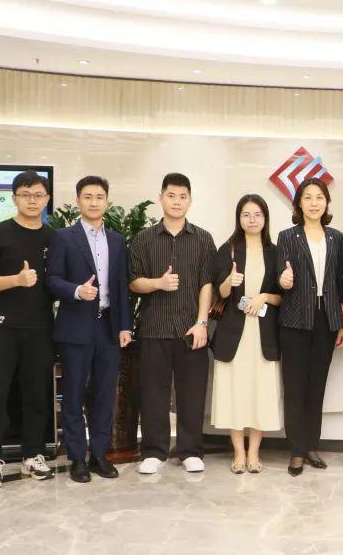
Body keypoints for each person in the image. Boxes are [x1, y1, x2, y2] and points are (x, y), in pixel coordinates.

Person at [0, 170, 56, 489]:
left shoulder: (54, 238)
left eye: (38, 195)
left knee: (36, 396)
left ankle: (33, 455)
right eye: (25, 194)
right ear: (14, 198)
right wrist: (17, 280)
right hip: (0, 329)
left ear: (47, 199)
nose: (32, 200)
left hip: (40, 328)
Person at [129, 173, 217, 475]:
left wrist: (202, 322)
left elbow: (207, 284)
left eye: (182, 197)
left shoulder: (203, 239)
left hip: (191, 329)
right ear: (161, 198)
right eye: (171, 195)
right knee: (153, 393)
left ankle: (190, 450)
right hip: (154, 327)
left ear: (190, 200)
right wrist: (158, 283)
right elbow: (133, 282)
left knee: (192, 393)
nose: (177, 202)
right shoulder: (143, 239)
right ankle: (154, 451)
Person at [46, 176, 132, 483]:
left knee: (104, 394)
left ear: (107, 201)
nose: (94, 202)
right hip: (75, 328)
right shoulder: (63, 238)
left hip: (108, 327)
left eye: (99, 197)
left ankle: (99, 455)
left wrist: (125, 326)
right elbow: (52, 280)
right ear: (78, 201)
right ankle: (76, 458)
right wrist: (76, 291)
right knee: (73, 394)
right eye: (87, 196)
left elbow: (121, 286)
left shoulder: (118, 240)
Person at [276, 177, 343, 476]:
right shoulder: (287, 236)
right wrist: (283, 280)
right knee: (294, 388)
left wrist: (342, 321)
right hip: (294, 320)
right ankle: (296, 451)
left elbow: (340, 282)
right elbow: (279, 277)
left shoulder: (336, 237)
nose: (314, 203)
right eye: (308, 197)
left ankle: (311, 446)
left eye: (319, 197)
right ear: (299, 204)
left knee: (316, 387)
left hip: (326, 320)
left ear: (326, 202)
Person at [209, 194, 283, 474]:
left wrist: (264, 296)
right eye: (246, 215)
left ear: (265, 219)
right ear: (238, 218)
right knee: (234, 392)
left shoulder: (275, 252)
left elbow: (283, 297)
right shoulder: (227, 250)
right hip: (234, 333)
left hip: (264, 334)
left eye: (257, 215)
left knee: (260, 392)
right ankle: (238, 453)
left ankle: (254, 453)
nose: (252, 220)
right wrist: (229, 281)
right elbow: (219, 292)